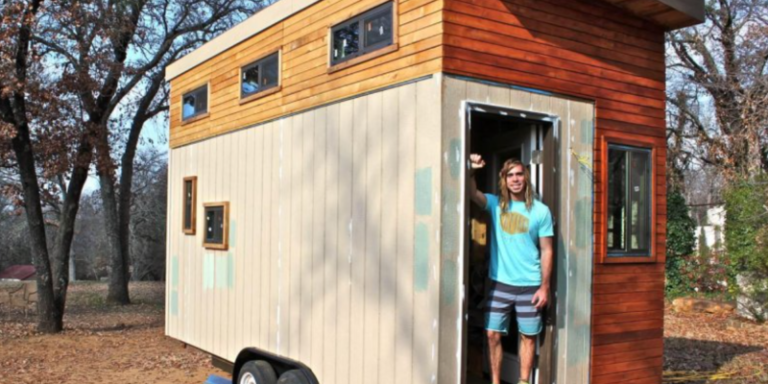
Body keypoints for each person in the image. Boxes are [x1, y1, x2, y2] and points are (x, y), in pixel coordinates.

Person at [469, 153, 554, 384]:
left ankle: (523, 381)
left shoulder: (540, 211)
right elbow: (471, 193)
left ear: (525, 178)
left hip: (530, 285)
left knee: (528, 337)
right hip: (500, 284)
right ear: (504, 180)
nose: (515, 179)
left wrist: (544, 287)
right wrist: (472, 169)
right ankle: (496, 381)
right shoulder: (496, 204)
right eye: (510, 175)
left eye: (519, 174)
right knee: (492, 334)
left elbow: (547, 250)